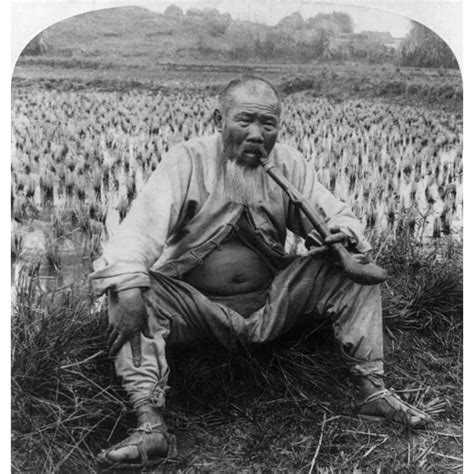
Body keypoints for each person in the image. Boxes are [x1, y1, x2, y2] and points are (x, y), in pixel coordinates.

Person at [91, 76, 431, 468]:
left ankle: (371, 392)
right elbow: (136, 234)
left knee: (347, 273)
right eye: (244, 121)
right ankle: (150, 425)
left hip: (271, 305)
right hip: (197, 310)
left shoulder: (288, 164)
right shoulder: (187, 160)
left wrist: (343, 237)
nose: (256, 135)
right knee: (130, 286)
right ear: (219, 119)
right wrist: (129, 286)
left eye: (267, 125)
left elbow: (335, 215)